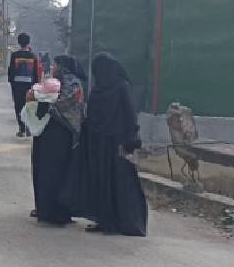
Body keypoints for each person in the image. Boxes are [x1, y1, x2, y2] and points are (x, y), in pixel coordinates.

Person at [79, 53, 148, 236]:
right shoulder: (104, 87)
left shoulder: (119, 87)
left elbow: (129, 114)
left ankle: (120, 221)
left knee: (117, 181)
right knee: (102, 181)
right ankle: (104, 220)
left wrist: (132, 138)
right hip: (100, 144)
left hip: (116, 144)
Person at [29, 55, 86, 224]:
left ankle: (57, 212)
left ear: (63, 67)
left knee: (56, 174)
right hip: (48, 134)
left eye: (55, 65)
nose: (52, 68)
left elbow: (62, 105)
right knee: (44, 171)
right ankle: (44, 208)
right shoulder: (55, 82)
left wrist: (41, 101)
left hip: (62, 135)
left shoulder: (73, 84)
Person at [8, 33, 42, 137]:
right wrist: (35, 86)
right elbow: (36, 73)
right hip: (30, 85)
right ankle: (28, 128)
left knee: (19, 106)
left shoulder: (14, 55)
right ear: (28, 42)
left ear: (19, 42)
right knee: (29, 107)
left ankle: (21, 129)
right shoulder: (33, 56)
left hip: (17, 86)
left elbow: (11, 71)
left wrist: (12, 84)